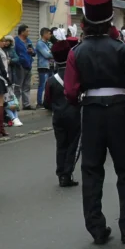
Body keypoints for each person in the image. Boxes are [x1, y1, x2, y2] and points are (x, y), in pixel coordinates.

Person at [64, 0, 125, 245]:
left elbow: (70, 92)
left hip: (91, 110)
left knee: (92, 170)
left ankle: (96, 227)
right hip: (117, 109)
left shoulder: (76, 52)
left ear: (85, 22)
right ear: (110, 21)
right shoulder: (120, 48)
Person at [42, 37, 80, 188]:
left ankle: (60, 173)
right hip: (74, 115)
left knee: (61, 145)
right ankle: (67, 174)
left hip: (58, 117)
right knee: (72, 145)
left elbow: (46, 103)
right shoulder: (77, 76)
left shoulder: (50, 80)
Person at [10, 25, 33, 110]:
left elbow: (33, 52)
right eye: (27, 31)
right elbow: (13, 53)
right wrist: (18, 61)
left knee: (27, 86)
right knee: (18, 86)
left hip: (28, 65)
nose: (28, 33)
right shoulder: (16, 41)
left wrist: (32, 51)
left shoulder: (28, 41)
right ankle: (16, 104)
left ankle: (26, 104)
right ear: (22, 32)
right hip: (20, 66)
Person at [35, 27, 54, 106]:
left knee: (49, 85)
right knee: (42, 85)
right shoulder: (40, 43)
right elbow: (47, 55)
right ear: (45, 34)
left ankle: (47, 101)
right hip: (43, 67)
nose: (50, 35)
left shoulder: (48, 43)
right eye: (49, 34)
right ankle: (39, 103)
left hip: (50, 66)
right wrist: (54, 54)